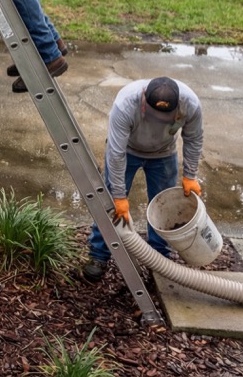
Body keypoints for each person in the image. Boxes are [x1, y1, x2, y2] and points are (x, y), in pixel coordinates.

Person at [82, 76, 204, 282]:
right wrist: (120, 196)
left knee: (164, 207)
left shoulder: (190, 104)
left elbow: (194, 138)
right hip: (127, 151)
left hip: (164, 153)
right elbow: (116, 153)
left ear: (176, 108)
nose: (159, 121)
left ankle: (159, 259)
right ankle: (98, 255)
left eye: (164, 117)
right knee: (111, 204)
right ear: (144, 101)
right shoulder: (126, 104)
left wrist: (190, 175)